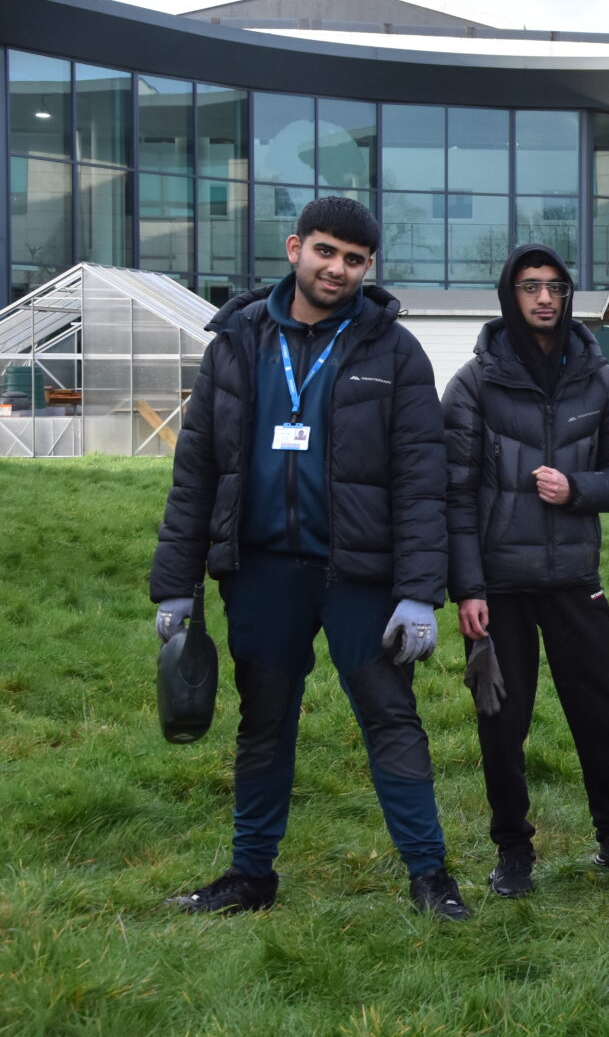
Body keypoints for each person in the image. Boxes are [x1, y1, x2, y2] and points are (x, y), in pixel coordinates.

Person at [150, 196, 468, 919]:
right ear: (296, 248)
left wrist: (420, 592)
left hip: (360, 577)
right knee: (263, 723)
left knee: (392, 719)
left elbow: (424, 481)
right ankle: (250, 875)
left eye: (355, 260)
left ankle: (430, 876)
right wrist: (176, 588)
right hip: (262, 571)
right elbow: (196, 471)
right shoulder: (235, 342)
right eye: (326, 252)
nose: (339, 269)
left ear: (368, 268)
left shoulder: (395, 351)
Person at [444, 243, 609, 897]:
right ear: (511, 294)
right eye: (531, 286)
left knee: (604, 711)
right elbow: (453, 492)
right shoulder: (475, 383)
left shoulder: (601, 379)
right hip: (499, 586)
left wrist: (578, 489)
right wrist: (466, 588)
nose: (544, 298)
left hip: (572, 579)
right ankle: (513, 852)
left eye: (555, 287)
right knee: (502, 720)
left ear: (567, 295)